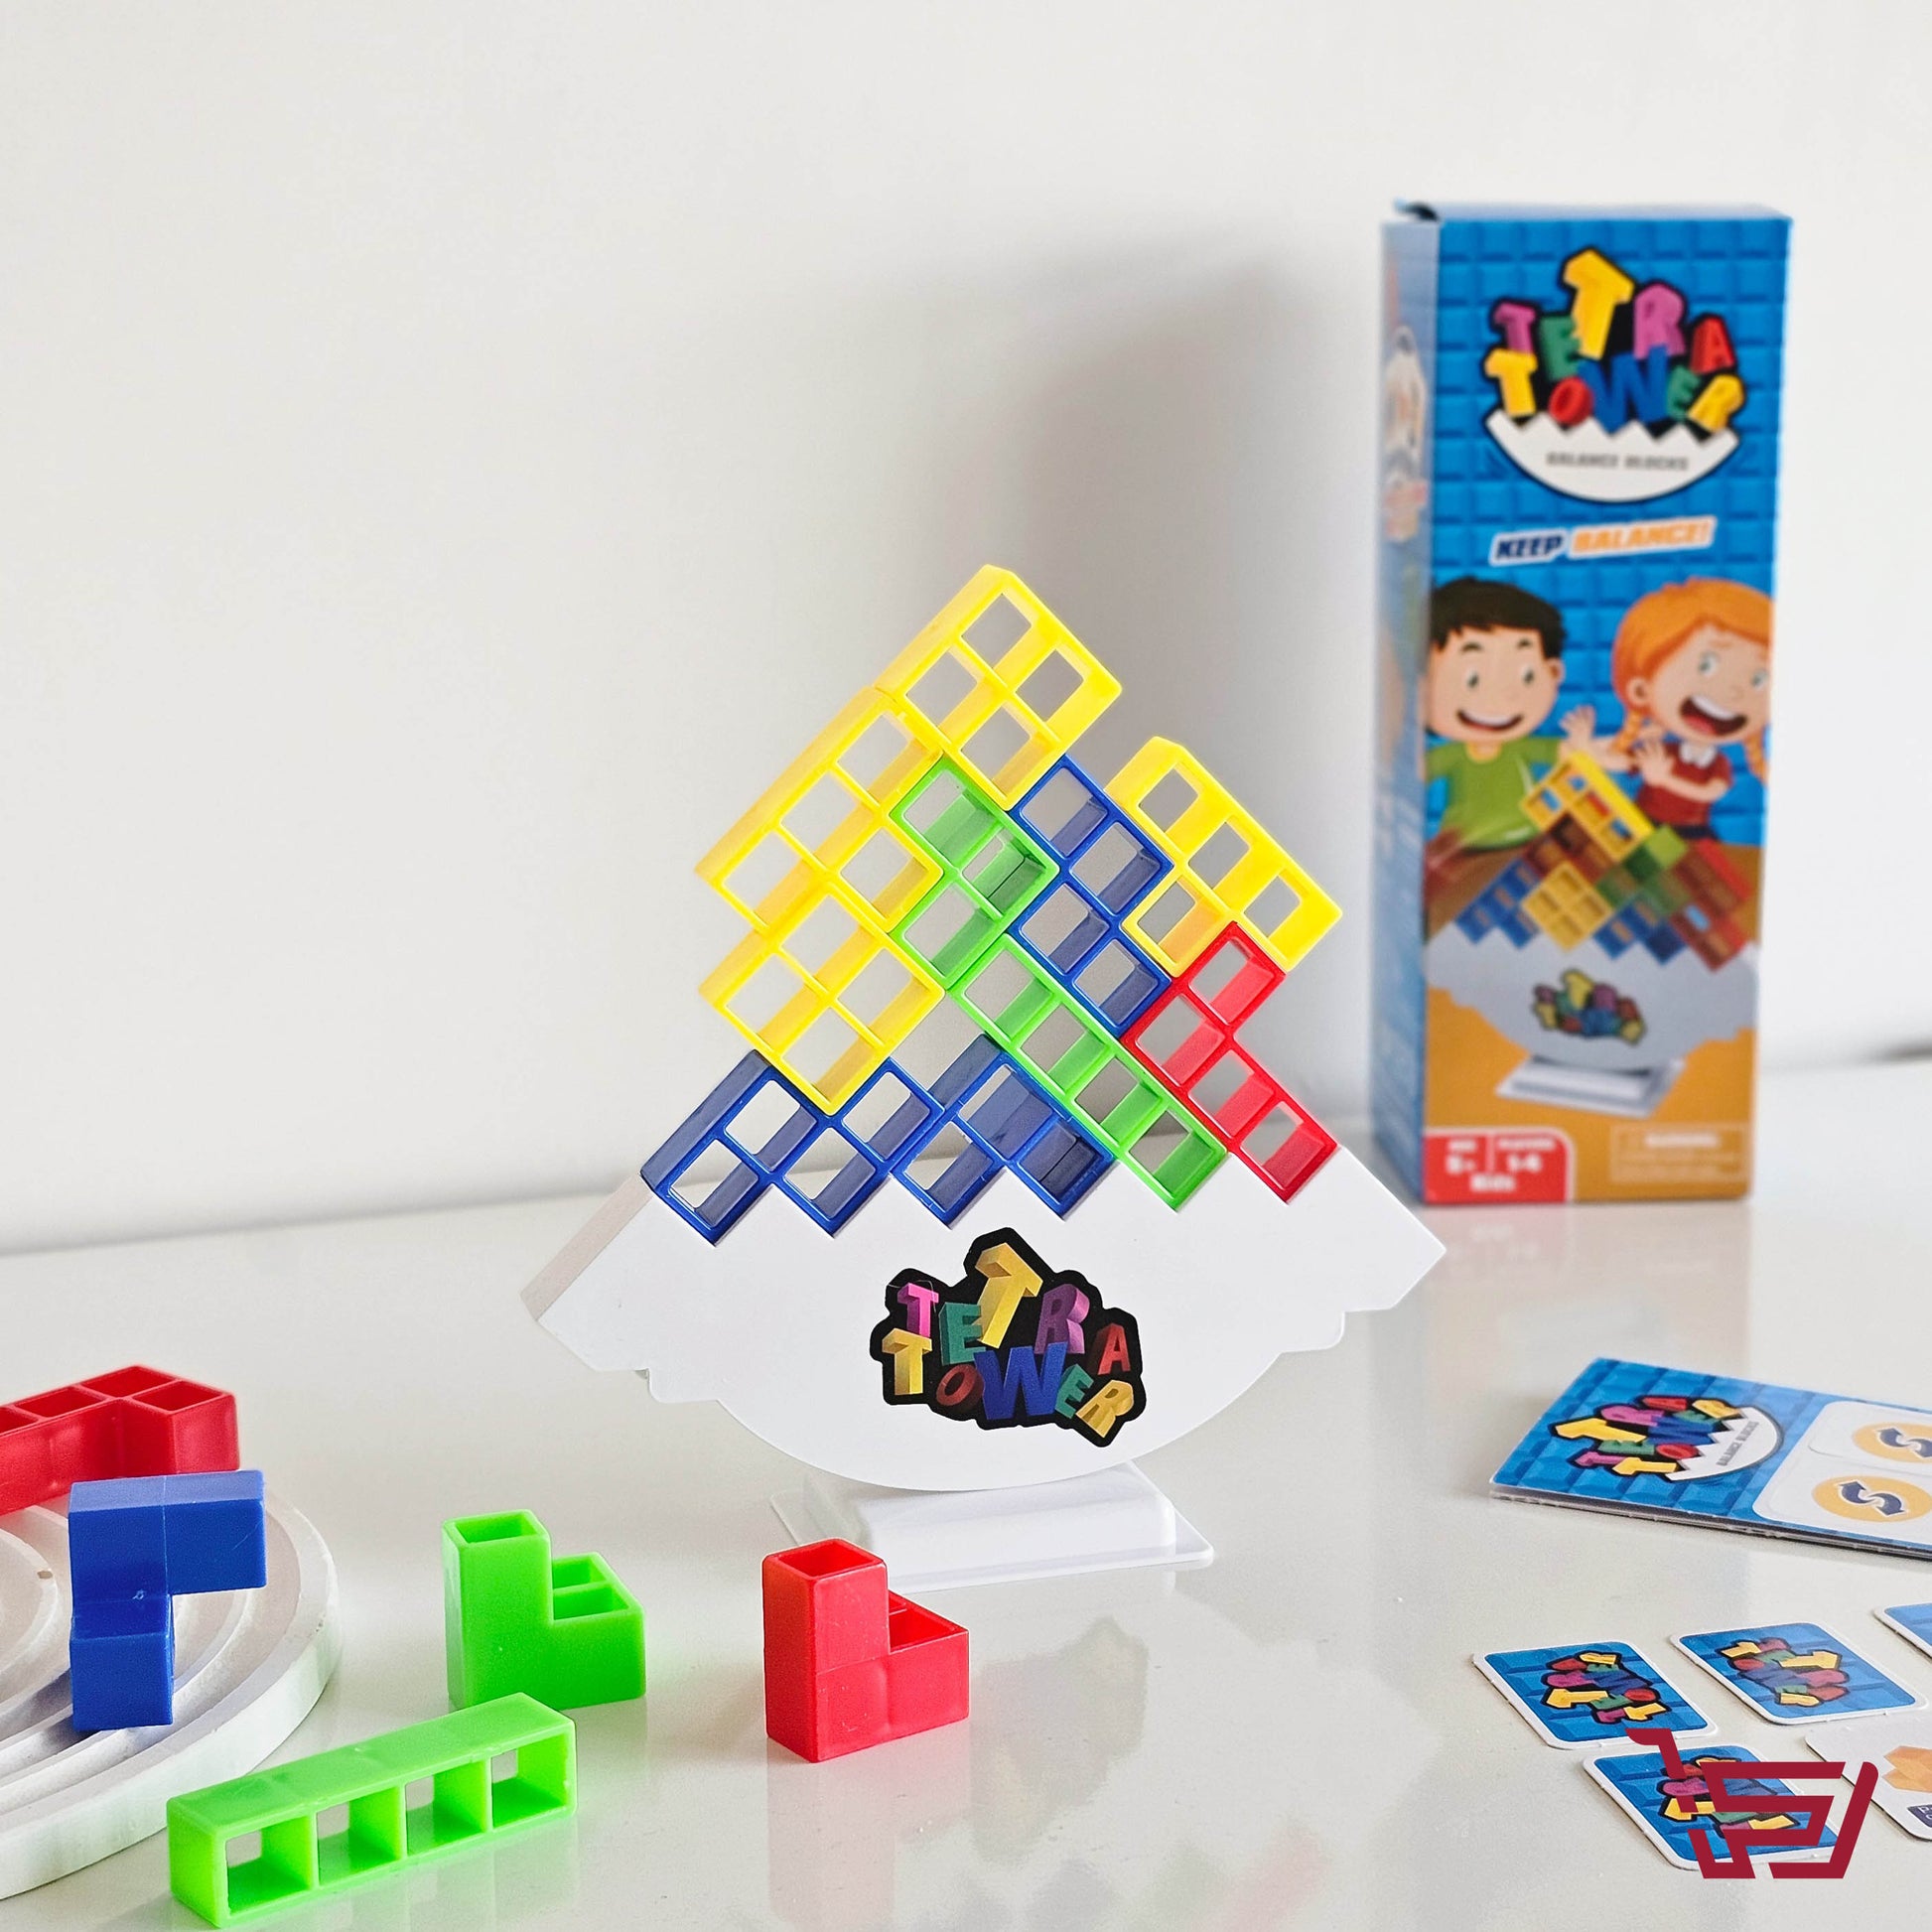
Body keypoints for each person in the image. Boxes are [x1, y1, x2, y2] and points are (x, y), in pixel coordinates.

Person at [1570, 580, 1771, 839]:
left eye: (1758, 680)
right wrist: (1586, 746)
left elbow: (1711, 792)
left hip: (1692, 833)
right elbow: (1619, 761)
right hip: (1645, 826)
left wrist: (1664, 779)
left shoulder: (1718, 763)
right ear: (1641, 690)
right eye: (1706, 665)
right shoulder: (1664, 751)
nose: (1734, 692)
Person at [1424, 577, 1592, 851]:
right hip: (1466, 846)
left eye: (1526, 676)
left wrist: (1582, 746)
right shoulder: (1454, 754)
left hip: (1525, 840)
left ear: (1553, 673)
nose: (1497, 699)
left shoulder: (1520, 747)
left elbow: (1568, 755)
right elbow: (1415, 772)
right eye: (1472, 679)